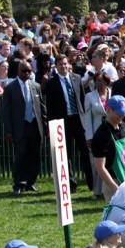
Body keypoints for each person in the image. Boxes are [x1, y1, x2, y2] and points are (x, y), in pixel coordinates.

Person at [45, 54, 93, 193]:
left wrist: (86, 119)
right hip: (62, 121)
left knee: (86, 152)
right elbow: (50, 107)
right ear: (57, 66)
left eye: (65, 64)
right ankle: (70, 184)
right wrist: (51, 126)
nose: (64, 66)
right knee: (66, 155)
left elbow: (82, 100)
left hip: (79, 120)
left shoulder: (76, 78)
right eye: (60, 64)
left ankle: (91, 182)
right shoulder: (51, 83)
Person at [2, 61, 46, 195]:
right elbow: (6, 111)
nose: (27, 73)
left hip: (34, 125)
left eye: (29, 71)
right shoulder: (10, 88)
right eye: (24, 71)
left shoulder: (36, 86)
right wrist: (8, 130)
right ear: (18, 71)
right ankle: (19, 183)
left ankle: (31, 182)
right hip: (20, 127)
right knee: (21, 155)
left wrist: (46, 127)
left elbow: (42, 108)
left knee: (35, 155)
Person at [91, 95, 125, 202]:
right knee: (117, 216)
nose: (122, 116)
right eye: (119, 113)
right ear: (109, 110)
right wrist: (115, 188)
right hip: (115, 182)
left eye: (124, 112)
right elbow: (100, 168)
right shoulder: (101, 135)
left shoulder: (124, 126)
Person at [84, 72, 112, 200]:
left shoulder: (113, 94)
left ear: (106, 81)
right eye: (97, 81)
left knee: (110, 161)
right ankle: (97, 191)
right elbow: (87, 118)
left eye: (101, 80)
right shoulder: (90, 96)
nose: (99, 83)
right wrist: (89, 136)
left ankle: (110, 187)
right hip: (97, 132)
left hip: (111, 131)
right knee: (97, 162)